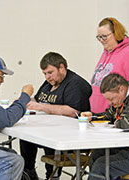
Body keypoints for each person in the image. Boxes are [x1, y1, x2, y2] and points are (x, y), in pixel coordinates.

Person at [20, 52, 92, 180]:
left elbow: (72, 111)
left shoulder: (76, 84)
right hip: (49, 126)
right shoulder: (50, 82)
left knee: (50, 136)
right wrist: (23, 101)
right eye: (45, 74)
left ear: (62, 68)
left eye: (50, 72)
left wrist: (42, 107)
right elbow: (37, 100)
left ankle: (52, 177)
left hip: (69, 134)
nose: (47, 77)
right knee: (25, 134)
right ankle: (28, 172)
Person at [90, 17, 129, 113]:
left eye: (104, 36)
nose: (101, 40)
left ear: (116, 34)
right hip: (98, 113)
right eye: (99, 37)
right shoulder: (105, 54)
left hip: (116, 114)